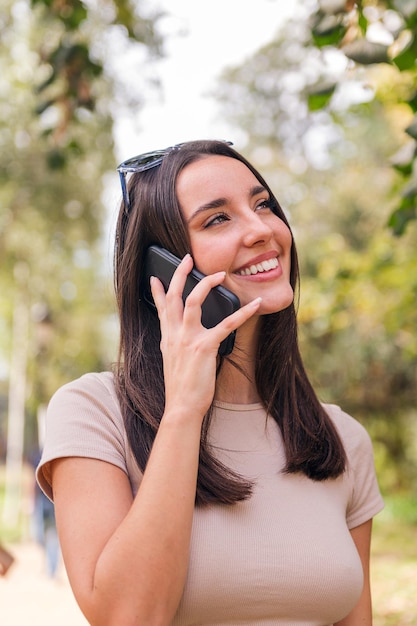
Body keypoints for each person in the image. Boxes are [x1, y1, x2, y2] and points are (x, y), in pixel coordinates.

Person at [37, 139, 384, 625]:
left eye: (263, 205)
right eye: (217, 218)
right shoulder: (94, 412)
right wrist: (183, 409)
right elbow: (126, 616)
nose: (263, 229)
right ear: (160, 266)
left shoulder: (339, 438)